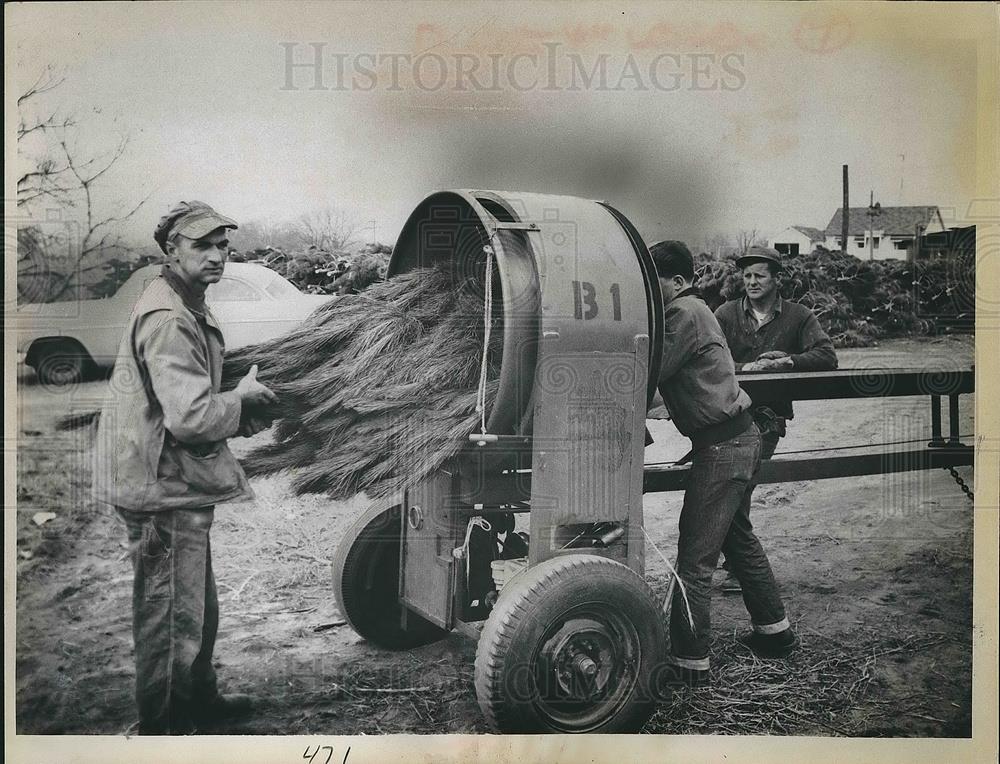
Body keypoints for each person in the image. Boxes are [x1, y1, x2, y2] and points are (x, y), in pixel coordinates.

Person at [93, 201, 277, 734]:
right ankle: (167, 728)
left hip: (169, 481)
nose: (218, 255)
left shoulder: (183, 296)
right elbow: (192, 416)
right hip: (161, 490)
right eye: (202, 245)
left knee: (195, 606)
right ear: (170, 249)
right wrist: (241, 401)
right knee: (173, 617)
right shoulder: (171, 316)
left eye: (223, 245)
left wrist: (237, 400)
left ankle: (199, 698)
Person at [649, 240, 797, 689]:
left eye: (652, 284)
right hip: (738, 438)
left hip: (723, 447)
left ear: (677, 281)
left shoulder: (681, 314)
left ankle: (689, 662)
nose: (649, 295)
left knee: (694, 558)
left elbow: (648, 371)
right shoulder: (697, 310)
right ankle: (776, 633)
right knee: (739, 539)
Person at [714, 245, 837, 592]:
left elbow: (827, 355)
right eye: (747, 276)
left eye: (759, 276)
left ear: (777, 279)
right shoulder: (724, 314)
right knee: (727, 486)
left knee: (740, 485)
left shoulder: (798, 316)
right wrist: (744, 369)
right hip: (726, 414)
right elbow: (707, 355)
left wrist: (789, 363)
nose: (751, 282)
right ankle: (733, 564)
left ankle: (738, 567)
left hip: (767, 419)